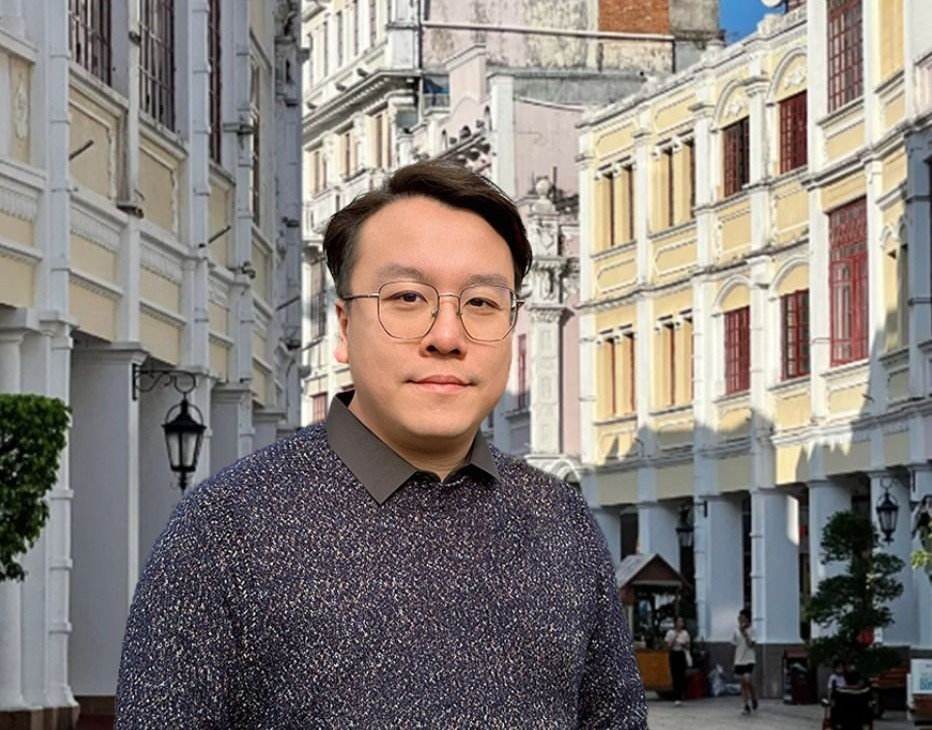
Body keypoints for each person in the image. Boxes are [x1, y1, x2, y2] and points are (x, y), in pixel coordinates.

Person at [115, 160, 648, 728]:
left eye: (482, 303)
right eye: (408, 298)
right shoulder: (226, 529)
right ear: (344, 328)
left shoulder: (560, 522)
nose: (447, 336)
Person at [733, 608, 758, 715]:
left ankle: (753, 697)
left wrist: (745, 633)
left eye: (743, 618)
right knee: (742, 683)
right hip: (739, 659)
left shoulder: (753, 630)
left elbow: (751, 645)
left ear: (747, 619)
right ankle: (746, 705)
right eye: (740, 618)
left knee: (747, 680)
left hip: (749, 659)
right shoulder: (736, 631)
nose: (741, 620)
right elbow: (735, 644)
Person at [664, 616, 691, 705]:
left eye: (682, 622)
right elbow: (667, 647)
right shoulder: (670, 633)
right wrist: (674, 639)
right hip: (673, 654)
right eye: (679, 622)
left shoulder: (685, 633)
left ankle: (681, 694)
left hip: (681, 654)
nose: (680, 623)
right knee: (675, 674)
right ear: (675, 623)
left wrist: (683, 644)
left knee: (681, 674)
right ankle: (676, 696)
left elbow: (688, 646)